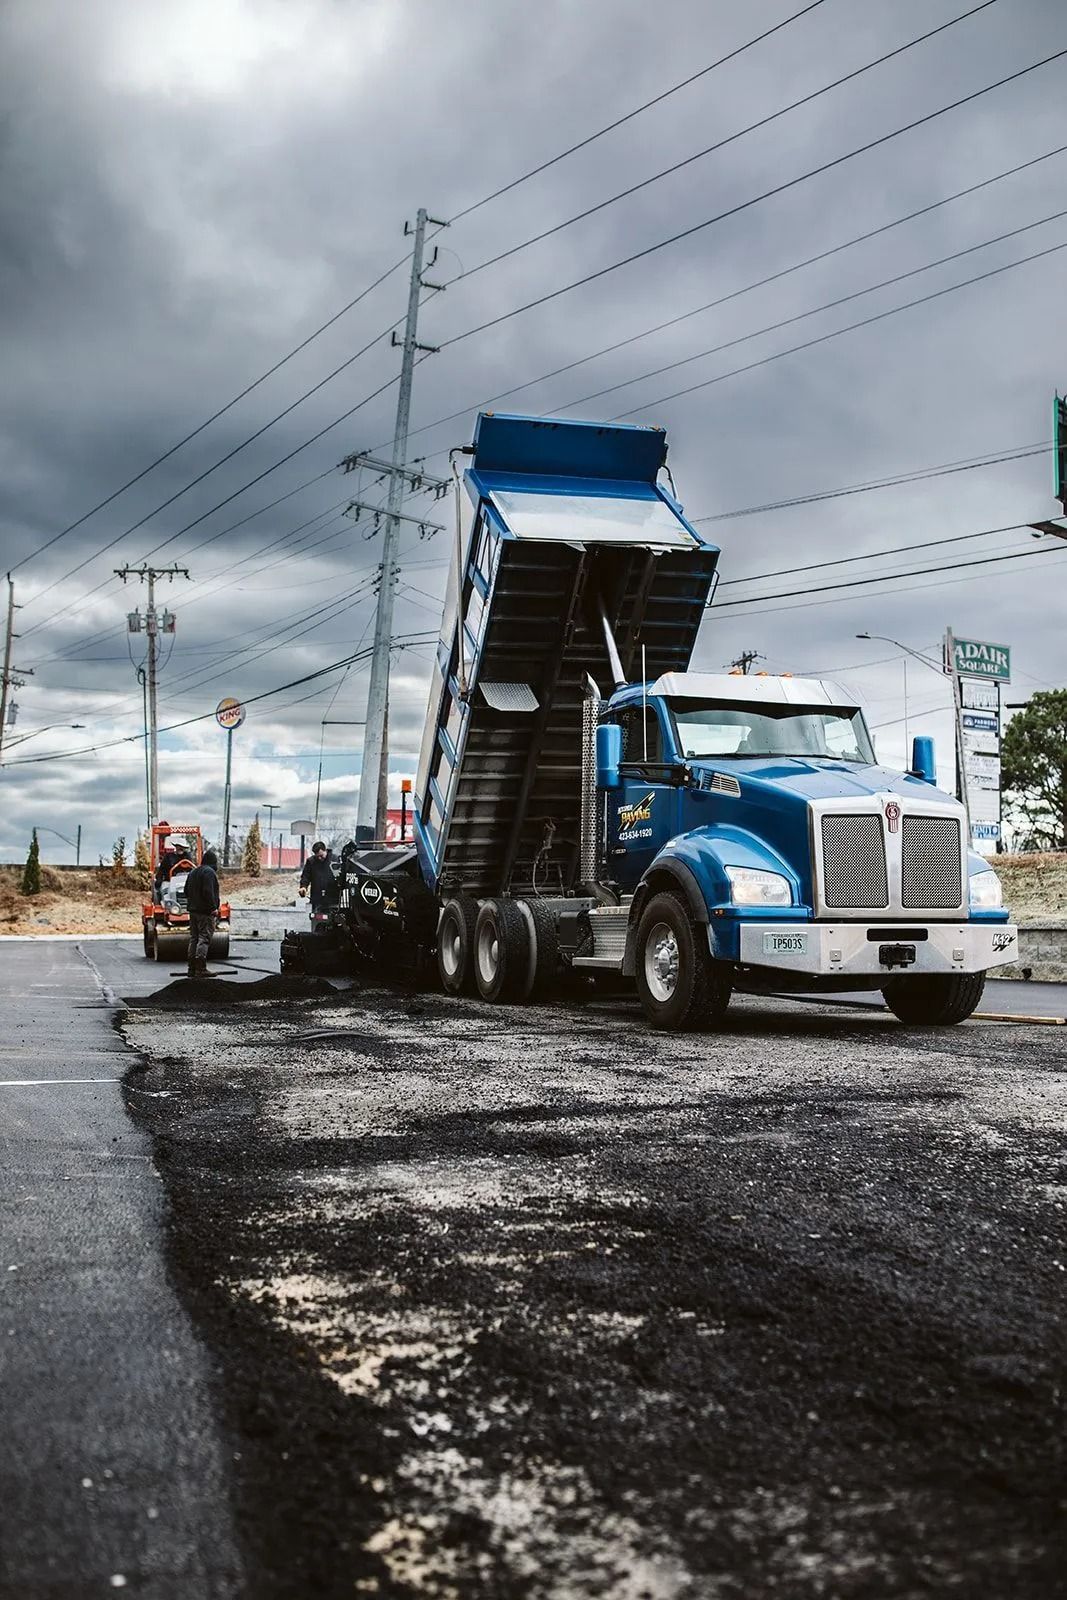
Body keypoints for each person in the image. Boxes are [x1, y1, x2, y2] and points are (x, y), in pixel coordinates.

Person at [184, 849, 221, 978]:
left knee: (194, 938)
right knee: (204, 938)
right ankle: (201, 969)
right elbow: (208, 891)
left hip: (193, 912)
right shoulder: (209, 873)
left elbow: (185, 891)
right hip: (205, 913)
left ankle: (191, 969)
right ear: (213, 862)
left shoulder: (193, 872)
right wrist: (213, 907)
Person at [299, 841, 335, 916]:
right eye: (317, 856)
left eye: (321, 855)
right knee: (317, 921)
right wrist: (303, 887)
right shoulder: (311, 862)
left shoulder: (335, 860)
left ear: (325, 850)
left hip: (333, 899)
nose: (319, 858)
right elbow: (306, 876)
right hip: (317, 898)